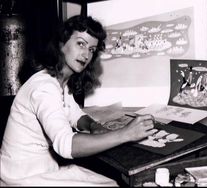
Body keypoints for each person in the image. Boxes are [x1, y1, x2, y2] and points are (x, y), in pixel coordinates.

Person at [0, 15, 156, 186]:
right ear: (61, 43)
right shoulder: (44, 88)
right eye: (80, 43)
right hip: (21, 177)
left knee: (111, 182)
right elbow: (66, 145)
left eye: (92, 49)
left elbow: (75, 114)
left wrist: (93, 126)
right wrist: (125, 134)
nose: (86, 54)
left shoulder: (60, 82)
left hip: (43, 168)